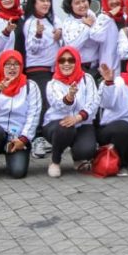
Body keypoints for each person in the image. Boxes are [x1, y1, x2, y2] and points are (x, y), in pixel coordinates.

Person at [0, 50, 41, 180]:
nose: (12, 68)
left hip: (17, 136)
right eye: (7, 64)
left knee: (18, 172)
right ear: (1, 66)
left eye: (16, 64)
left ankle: (11, 155)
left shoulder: (30, 86)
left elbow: (33, 114)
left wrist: (23, 139)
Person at [41, 47, 99, 177]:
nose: (66, 64)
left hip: (82, 122)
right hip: (57, 123)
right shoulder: (53, 84)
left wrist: (79, 117)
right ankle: (55, 161)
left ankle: (78, 157)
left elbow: (94, 101)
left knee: (87, 150)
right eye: (62, 60)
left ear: (77, 61)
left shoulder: (87, 79)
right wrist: (69, 97)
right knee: (66, 127)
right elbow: (58, 105)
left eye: (71, 60)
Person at [22, 0, 61, 158]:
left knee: (49, 105)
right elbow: (32, 48)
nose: (46, 4)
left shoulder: (52, 20)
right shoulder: (30, 23)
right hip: (37, 70)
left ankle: (45, 139)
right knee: (40, 106)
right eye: (42, 0)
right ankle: (37, 139)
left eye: (48, 0)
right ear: (34, 3)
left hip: (52, 70)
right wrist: (38, 35)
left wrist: (59, 34)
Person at [93, 0, 125, 73]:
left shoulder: (125, 18)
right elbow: (96, 36)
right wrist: (109, 16)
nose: (114, 1)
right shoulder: (102, 18)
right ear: (105, 1)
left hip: (126, 65)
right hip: (109, 67)